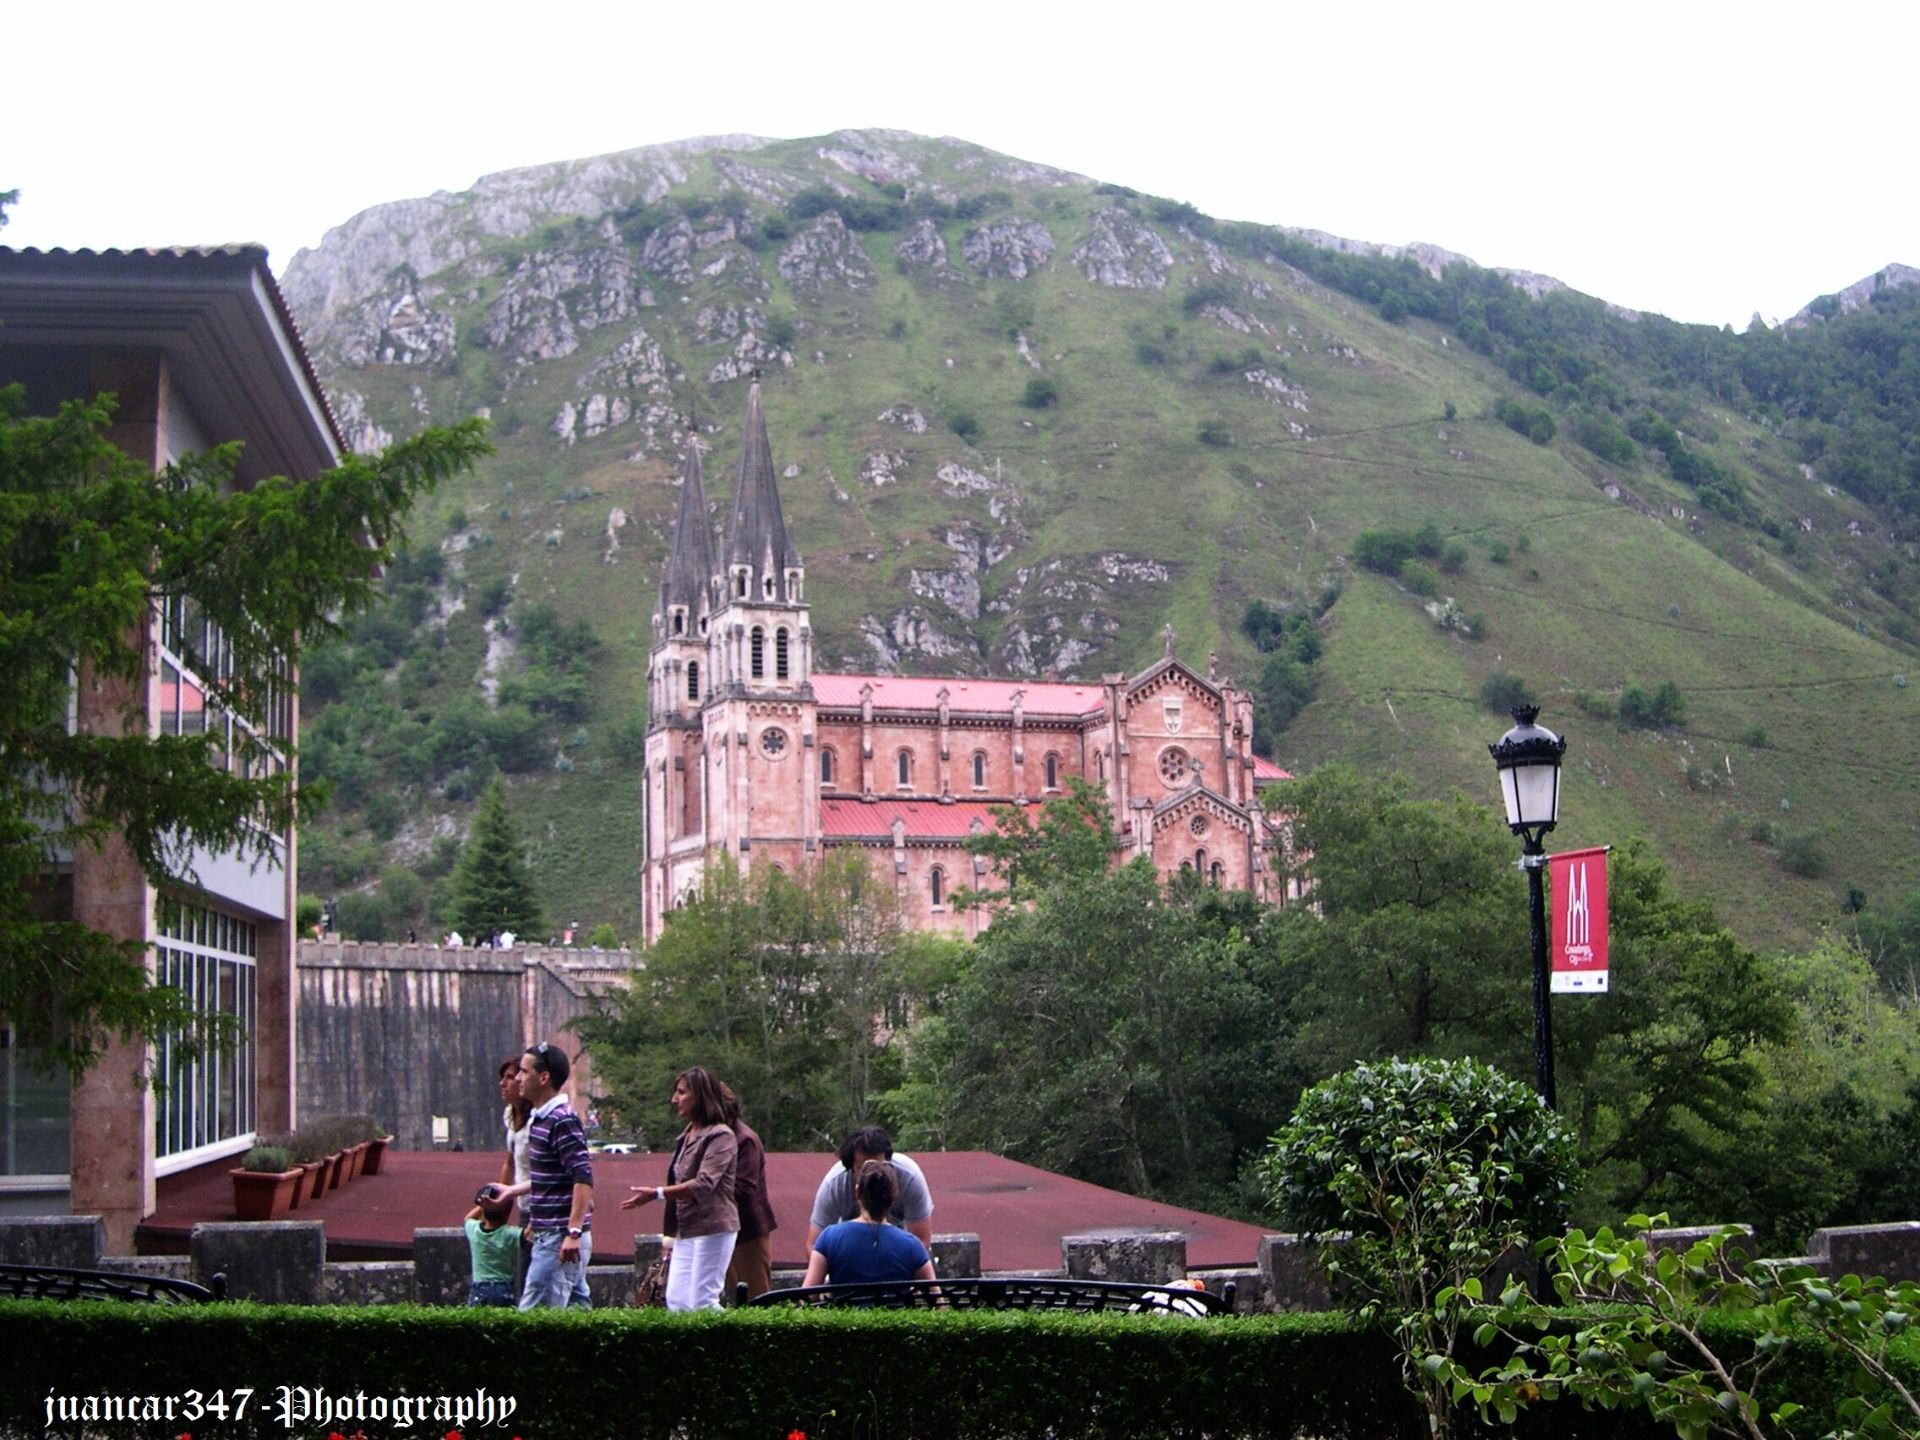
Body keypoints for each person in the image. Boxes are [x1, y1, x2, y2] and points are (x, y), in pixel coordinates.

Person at [621, 1066, 737, 1310]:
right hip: (687, 1227)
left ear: (700, 1096)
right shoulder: (687, 1135)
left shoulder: (721, 1136)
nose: (675, 1099)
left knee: (702, 1301)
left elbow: (705, 1183)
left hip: (713, 1226)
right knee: (676, 1300)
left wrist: (657, 1193)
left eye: (682, 1093)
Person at [492, 1041, 593, 1310]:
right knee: (577, 1310)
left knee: (535, 1315)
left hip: (560, 1237)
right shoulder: (539, 1119)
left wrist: (573, 1232)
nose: (517, 1079)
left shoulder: (562, 1119)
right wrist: (518, 1198)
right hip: (548, 1232)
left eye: (523, 1072)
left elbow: (582, 1177)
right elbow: (552, 1177)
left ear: (544, 1077)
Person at [804, 1160, 935, 1286]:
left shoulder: (829, 1238)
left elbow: (808, 1295)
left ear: (857, 1192)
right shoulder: (912, 1246)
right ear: (893, 1197)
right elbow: (937, 1300)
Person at [807, 1127, 934, 1254]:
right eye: (864, 1168)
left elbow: (922, 1241)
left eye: (879, 1166)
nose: (872, 1173)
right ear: (851, 1168)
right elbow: (813, 1246)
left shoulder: (909, 1177)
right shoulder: (835, 1185)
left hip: (899, 1254)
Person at [719, 1082, 777, 1300]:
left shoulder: (745, 1140)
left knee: (756, 1296)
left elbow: (743, 1188)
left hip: (747, 1230)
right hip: (723, 1229)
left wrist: (702, 1191)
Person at [463, 1184, 520, 1307]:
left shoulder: (473, 1230)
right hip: (504, 1287)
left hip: (480, 1287)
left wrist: (484, 1204)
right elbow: (527, 1234)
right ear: (507, 1214)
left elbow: (468, 1218)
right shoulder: (510, 1233)